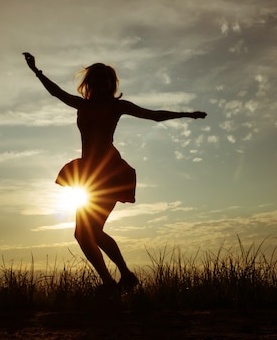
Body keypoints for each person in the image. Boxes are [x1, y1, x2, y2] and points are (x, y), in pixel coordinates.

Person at [23, 52, 207, 290]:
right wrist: (37, 71)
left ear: (111, 84)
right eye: (97, 81)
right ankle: (112, 282)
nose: (101, 85)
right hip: (88, 173)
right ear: (90, 84)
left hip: (109, 172)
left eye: (106, 81)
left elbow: (153, 116)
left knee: (91, 230)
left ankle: (123, 276)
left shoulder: (117, 106)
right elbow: (56, 93)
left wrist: (186, 114)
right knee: (83, 234)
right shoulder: (82, 104)